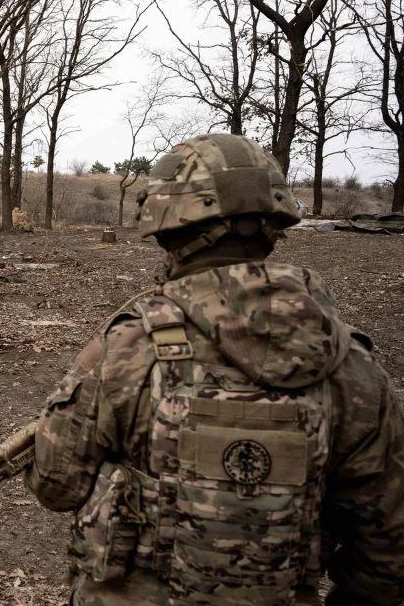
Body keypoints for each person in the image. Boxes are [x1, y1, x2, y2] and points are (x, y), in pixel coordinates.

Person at [24, 133, 404, 605]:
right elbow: (388, 547)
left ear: (168, 228)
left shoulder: (128, 350)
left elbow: (55, 484)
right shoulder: (353, 367)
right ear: (273, 224)